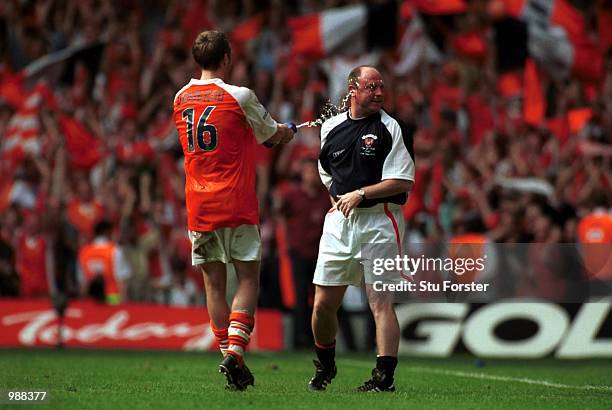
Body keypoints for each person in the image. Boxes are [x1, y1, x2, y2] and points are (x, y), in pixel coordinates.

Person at [172, 30, 294, 391]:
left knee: (213, 285)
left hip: (199, 203)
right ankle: (235, 353)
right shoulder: (239, 96)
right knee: (247, 279)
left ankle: (228, 355)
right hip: (237, 202)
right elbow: (271, 136)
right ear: (226, 59)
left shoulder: (179, 98)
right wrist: (287, 131)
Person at [308, 66, 415, 392]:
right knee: (322, 304)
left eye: (382, 86)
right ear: (353, 89)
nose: (380, 93)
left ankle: (384, 378)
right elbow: (328, 171)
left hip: (380, 220)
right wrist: (340, 199)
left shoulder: (392, 127)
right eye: (372, 87)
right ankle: (325, 365)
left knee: (380, 303)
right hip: (341, 223)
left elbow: (402, 180)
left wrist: (362, 193)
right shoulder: (330, 127)